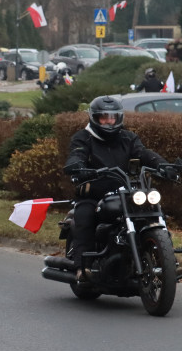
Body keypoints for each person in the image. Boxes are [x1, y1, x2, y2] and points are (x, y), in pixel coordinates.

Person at [63, 96, 173, 281]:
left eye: (112, 117)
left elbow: (144, 153)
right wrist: (77, 167)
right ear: (95, 118)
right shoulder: (83, 137)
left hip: (124, 192)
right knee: (85, 216)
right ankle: (83, 267)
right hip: (94, 194)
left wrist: (164, 166)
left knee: (154, 212)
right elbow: (77, 155)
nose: (109, 121)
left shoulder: (128, 138)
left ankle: (167, 261)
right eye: (104, 117)